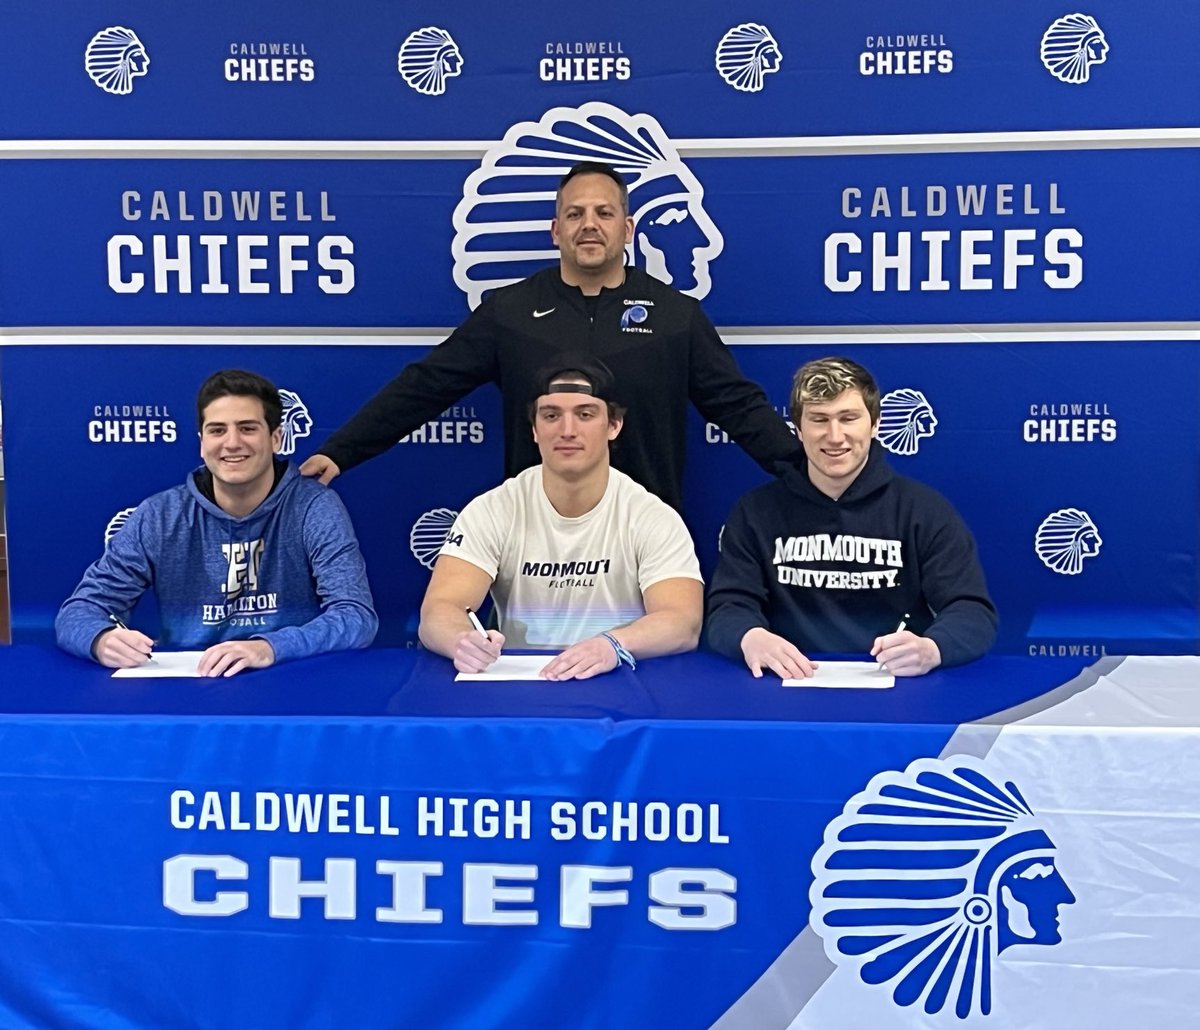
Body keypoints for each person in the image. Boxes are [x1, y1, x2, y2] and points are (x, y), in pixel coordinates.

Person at [299, 161, 799, 510]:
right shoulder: (509, 312)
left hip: (647, 536)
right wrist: (343, 449)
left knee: (651, 662)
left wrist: (809, 473)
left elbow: (740, 408)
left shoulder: (675, 316)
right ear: (555, 230)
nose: (589, 225)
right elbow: (423, 388)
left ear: (627, 230)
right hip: (534, 540)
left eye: (604, 214)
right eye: (574, 214)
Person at [56, 369, 378, 677]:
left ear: (277, 437)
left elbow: (356, 616)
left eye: (248, 428)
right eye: (217, 430)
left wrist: (268, 647)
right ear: (201, 441)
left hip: (289, 680)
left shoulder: (314, 507)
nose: (232, 442)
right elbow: (79, 610)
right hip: (190, 690)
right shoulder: (160, 515)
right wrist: (100, 638)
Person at [706, 356, 996, 679]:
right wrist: (749, 637)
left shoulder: (924, 512)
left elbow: (973, 611)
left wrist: (933, 648)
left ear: (875, 424)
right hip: (787, 684)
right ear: (798, 429)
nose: (834, 436)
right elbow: (727, 607)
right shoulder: (754, 513)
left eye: (848, 418)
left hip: (898, 687)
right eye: (819, 419)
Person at [418, 358, 702, 679]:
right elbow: (439, 609)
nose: (567, 430)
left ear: (614, 426)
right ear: (535, 430)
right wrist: (461, 641)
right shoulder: (495, 509)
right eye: (551, 416)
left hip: (620, 677)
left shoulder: (651, 516)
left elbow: (682, 622)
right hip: (523, 682)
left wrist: (611, 644)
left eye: (585, 414)